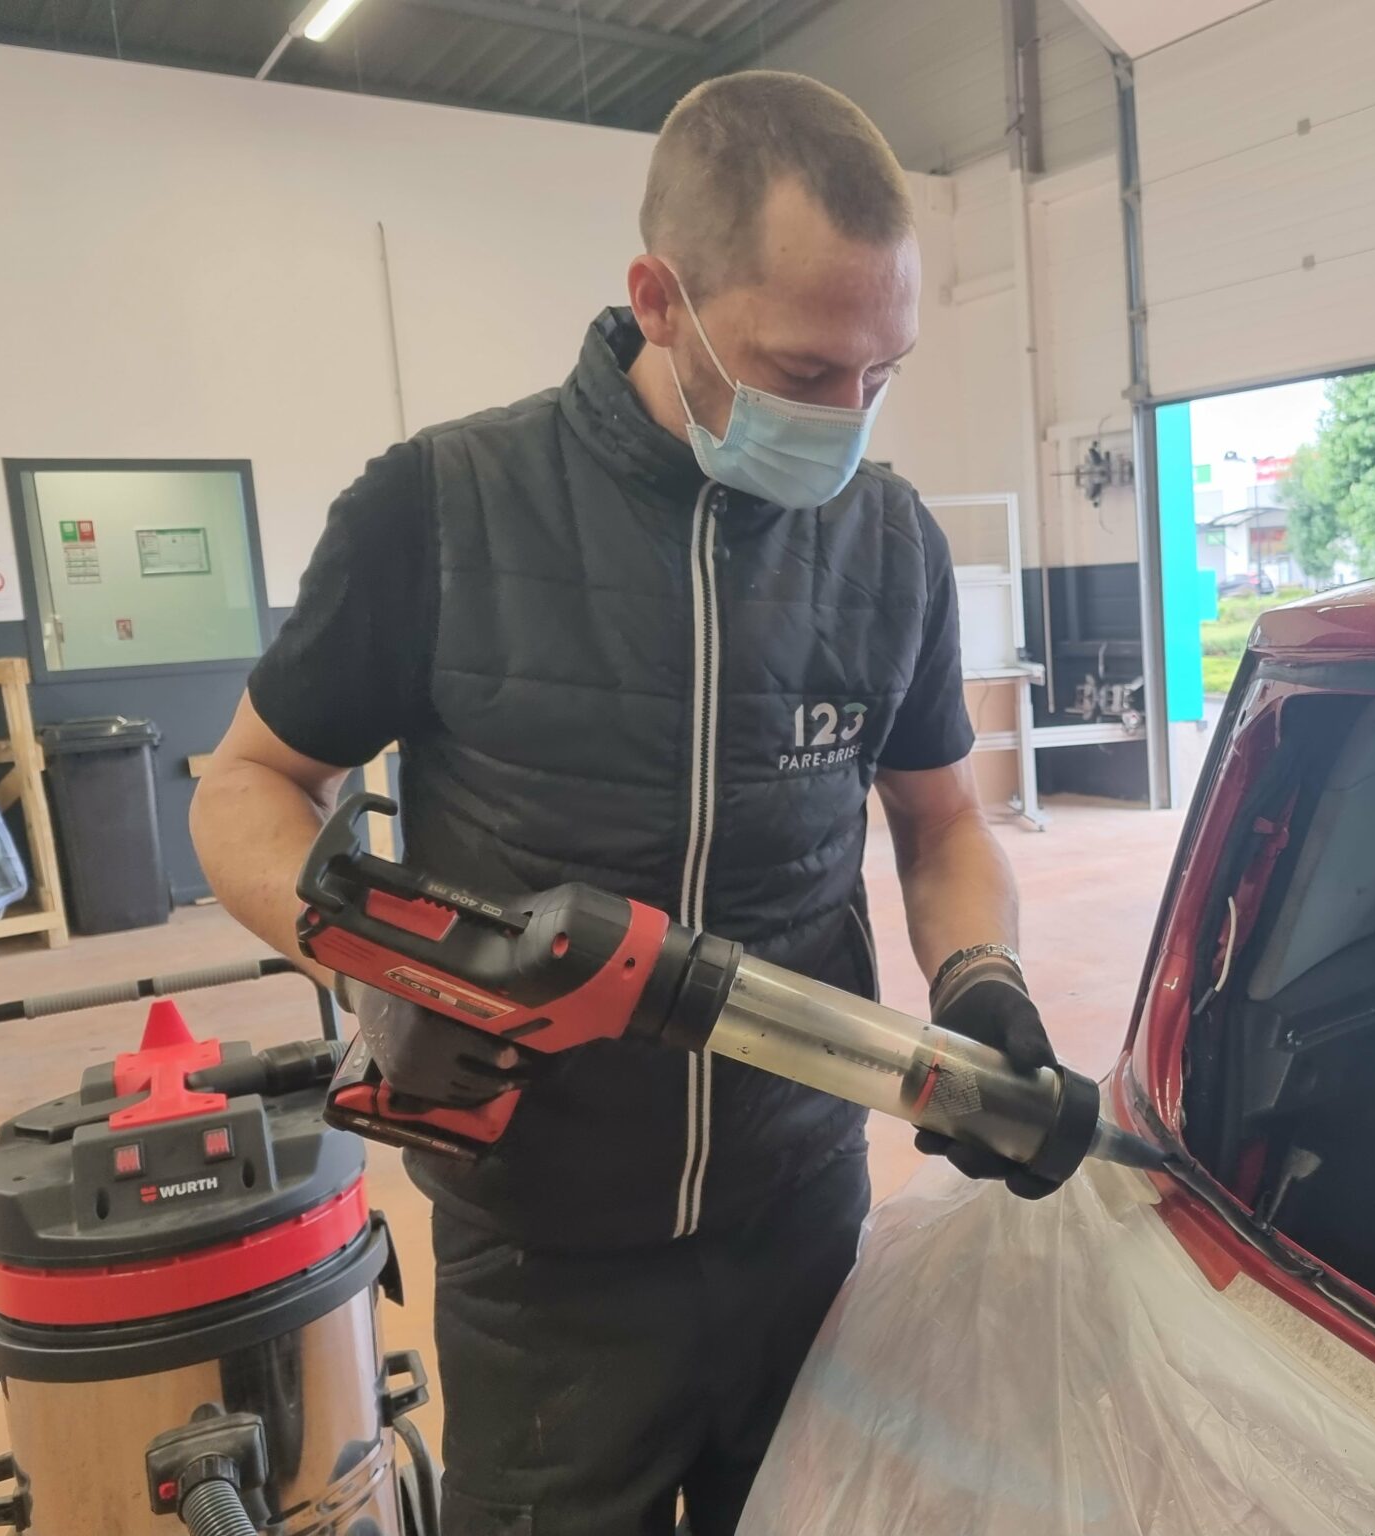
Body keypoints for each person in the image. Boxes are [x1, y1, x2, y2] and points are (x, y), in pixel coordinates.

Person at [192, 70, 1055, 1536]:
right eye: (804, 373)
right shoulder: (443, 510)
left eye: (881, 372)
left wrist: (978, 983)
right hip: (546, 1265)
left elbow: (943, 822)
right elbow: (249, 788)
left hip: (805, 1222)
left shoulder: (888, 543)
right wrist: (386, 961)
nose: (850, 419)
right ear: (662, 299)